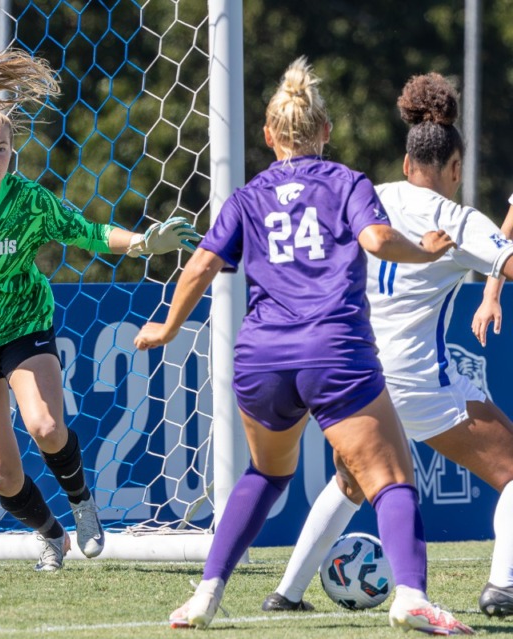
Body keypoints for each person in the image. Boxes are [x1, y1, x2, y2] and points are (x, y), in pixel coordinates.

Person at [134, 57, 473, 635]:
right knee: (389, 477)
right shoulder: (346, 181)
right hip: (332, 349)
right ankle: (411, 595)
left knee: (265, 474)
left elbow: (201, 265)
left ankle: (205, 596)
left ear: (269, 137)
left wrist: (167, 327)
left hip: (262, 358)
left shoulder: (247, 197)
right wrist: (428, 252)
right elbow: (377, 238)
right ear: (326, 132)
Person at [0, 49, 199, 571]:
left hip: (23, 325)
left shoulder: (28, 201)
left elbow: (88, 231)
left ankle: (82, 501)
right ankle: (50, 534)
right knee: (3, 474)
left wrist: (141, 243)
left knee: (46, 425)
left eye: (0, 149)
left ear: (11, 152)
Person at [263, 73, 513, 619]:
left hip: (355, 373)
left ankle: (285, 593)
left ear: (405, 164)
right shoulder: (455, 219)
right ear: (454, 169)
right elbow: (509, 264)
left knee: (351, 481)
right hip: (421, 380)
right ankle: (503, 586)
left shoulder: (367, 195)